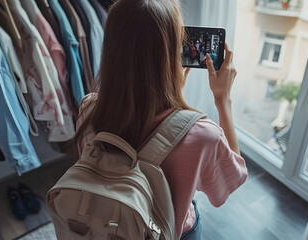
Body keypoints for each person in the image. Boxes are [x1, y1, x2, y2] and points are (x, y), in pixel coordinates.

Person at [74, 0, 247, 239]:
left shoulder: (89, 107)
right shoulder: (203, 135)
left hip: (108, 223)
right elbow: (232, 179)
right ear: (171, 54)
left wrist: (172, 95)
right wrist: (223, 99)